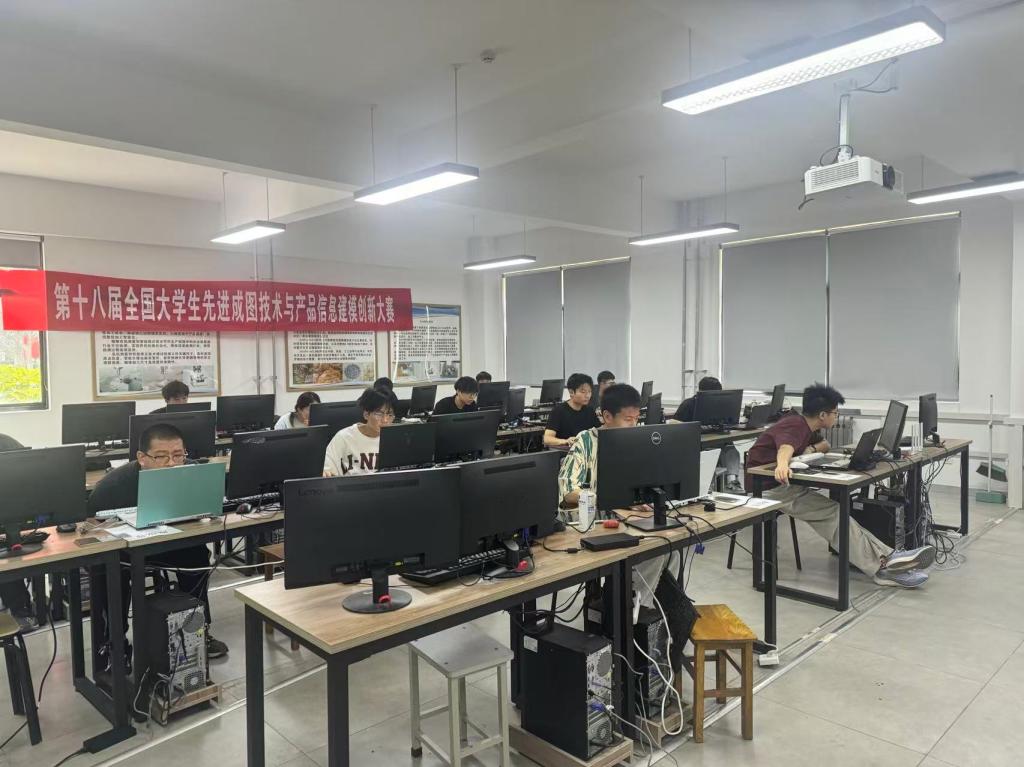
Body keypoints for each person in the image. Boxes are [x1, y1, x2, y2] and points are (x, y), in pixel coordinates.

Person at [747, 383, 935, 588]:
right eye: (835, 413)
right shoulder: (795, 425)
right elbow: (785, 447)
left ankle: (889, 557)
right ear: (822, 415)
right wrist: (783, 465)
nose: (836, 417)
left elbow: (825, 445)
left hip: (786, 487)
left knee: (837, 512)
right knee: (834, 514)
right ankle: (882, 568)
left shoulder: (805, 424)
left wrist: (810, 449)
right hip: (768, 489)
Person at [557, 384, 685, 656]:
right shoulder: (585, 441)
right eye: (628, 419)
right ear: (607, 416)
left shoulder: (636, 440)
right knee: (652, 550)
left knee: (670, 547)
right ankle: (631, 616)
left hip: (627, 516)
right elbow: (568, 491)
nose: (634, 425)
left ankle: (649, 615)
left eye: (637, 419)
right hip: (592, 523)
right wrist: (609, 497)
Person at [88, 423, 229, 660]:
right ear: (142, 458)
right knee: (106, 570)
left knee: (197, 556)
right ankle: (114, 643)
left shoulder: (191, 472)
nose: (172, 463)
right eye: (162, 456)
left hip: (170, 544)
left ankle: (197, 631)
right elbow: (91, 527)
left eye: (178, 455)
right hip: (125, 551)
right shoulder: (113, 486)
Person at [674, 376, 744, 492]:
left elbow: (728, 421)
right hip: (695, 445)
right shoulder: (688, 404)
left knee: (730, 448)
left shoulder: (720, 405)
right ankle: (706, 487)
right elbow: (674, 424)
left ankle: (732, 482)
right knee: (710, 453)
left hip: (716, 440)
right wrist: (697, 427)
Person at [0, 434, 35, 629]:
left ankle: (22, 612)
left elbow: (31, 476)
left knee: (7, 554)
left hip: (15, 521)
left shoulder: (5, 443)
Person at [323, 387, 395, 476]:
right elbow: (326, 467)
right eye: (379, 414)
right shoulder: (344, 437)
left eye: (390, 414)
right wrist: (325, 472)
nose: (385, 420)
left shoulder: (395, 438)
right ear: (366, 414)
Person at [543, 373, 600, 447]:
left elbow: (599, 431)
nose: (587, 395)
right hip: (565, 451)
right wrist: (566, 441)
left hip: (584, 450)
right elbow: (547, 439)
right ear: (571, 392)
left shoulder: (589, 410)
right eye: (583, 392)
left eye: (589, 391)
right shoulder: (558, 411)